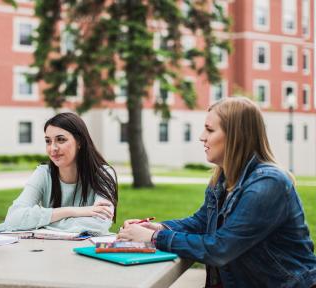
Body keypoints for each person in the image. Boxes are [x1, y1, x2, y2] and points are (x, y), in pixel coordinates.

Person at [118, 97, 316, 287]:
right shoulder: (222, 179)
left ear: (236, 137)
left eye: (210, 130)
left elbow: (220, 248)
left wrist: (153, 239)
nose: (201, 137)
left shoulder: (267, 184)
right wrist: (158, 228)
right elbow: (201, 223)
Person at [0, 112, 118, 235]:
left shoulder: (104, 174)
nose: (53, 148)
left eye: (61, 140)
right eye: (48, 141)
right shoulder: (43, 173)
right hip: (50, 250)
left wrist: (40, 223)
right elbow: (13, 218)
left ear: (79, 142)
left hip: (87, 250)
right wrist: (75, 211)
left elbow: (99, 225)